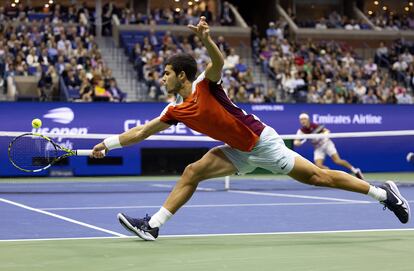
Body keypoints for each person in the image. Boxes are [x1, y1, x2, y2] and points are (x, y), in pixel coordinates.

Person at [91, 17, 410, 241]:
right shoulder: (174, 110)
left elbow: (216, 64)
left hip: (261, 142)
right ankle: (154, 225)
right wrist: (107, 143)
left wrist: (207, 41)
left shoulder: (205, 85)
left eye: (167, 73)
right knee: (192, 171)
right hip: (238, 151)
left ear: (183, 77)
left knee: (318, 177)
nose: (162, 77)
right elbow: (142, 132)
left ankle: (384, 194)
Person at [293, 113, 365, 180]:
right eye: (301, 120)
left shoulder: (315, 126)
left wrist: (324, 134)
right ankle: (332, 174)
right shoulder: (301, 131)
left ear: (308, 120)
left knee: (337, 160)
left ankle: (355, 170)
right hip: (318, 148)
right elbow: (296, 141)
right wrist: (297, 143)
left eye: (304, 119)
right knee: (318, 165)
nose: (303, 121)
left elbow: (327, 131)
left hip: (326, 143)